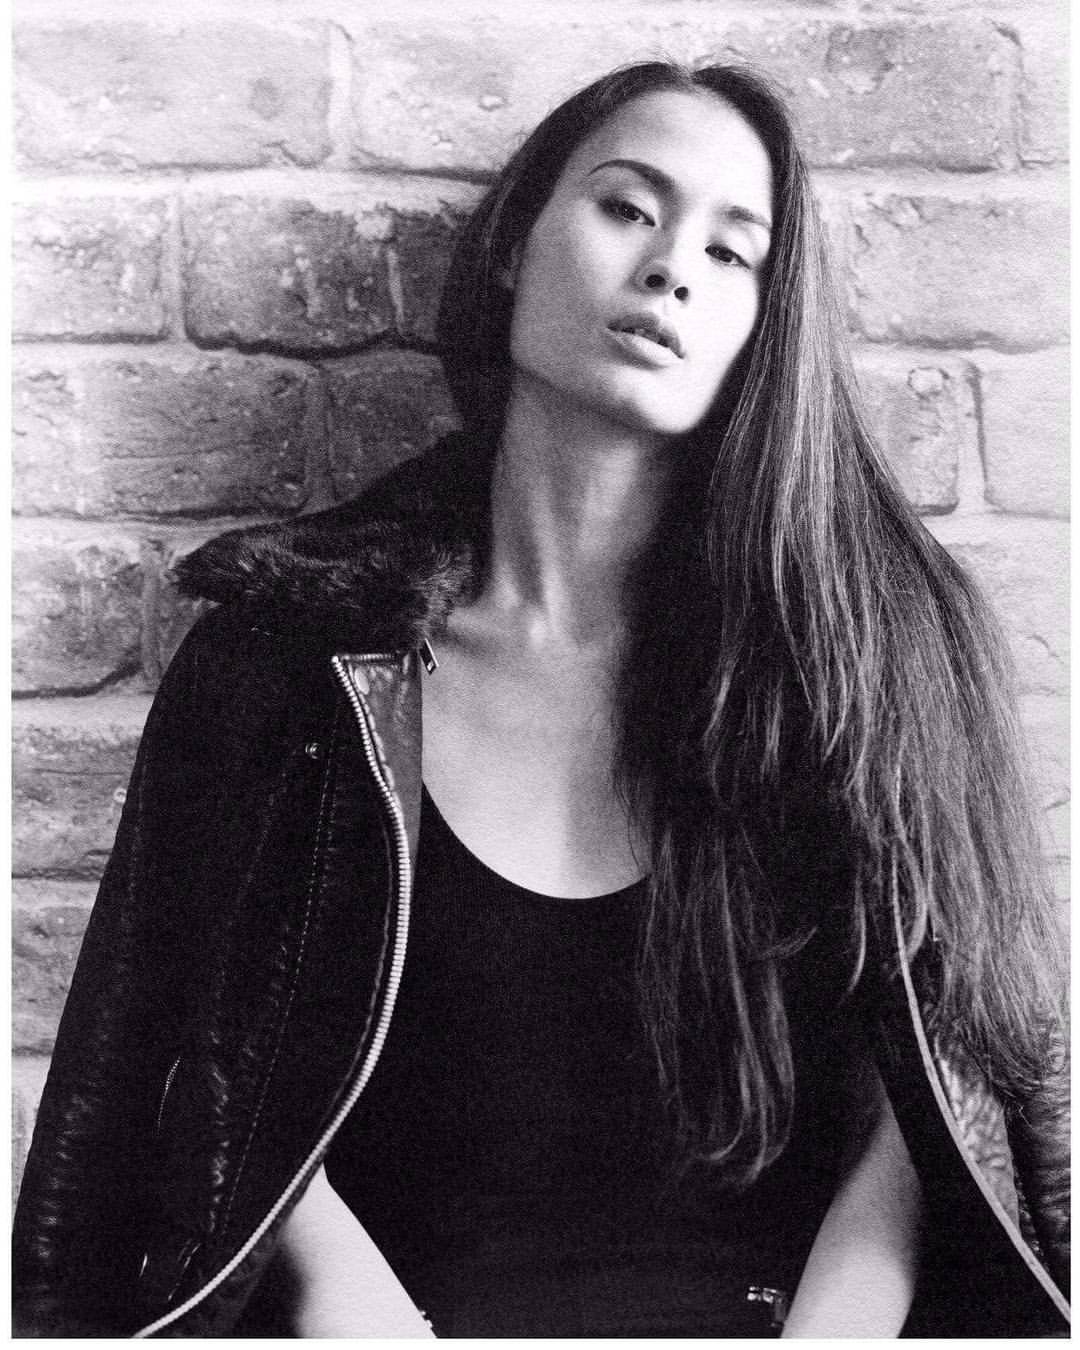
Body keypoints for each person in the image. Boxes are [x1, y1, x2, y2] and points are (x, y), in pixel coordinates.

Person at [12, 61, 1069, 1338]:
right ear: (514, 243)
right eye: (628, 209)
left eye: (732, 254)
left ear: (765, 326)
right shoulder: (289, 664)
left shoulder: (872, 662)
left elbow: (941, 1101)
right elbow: (170, 1078)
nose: (672, 270)